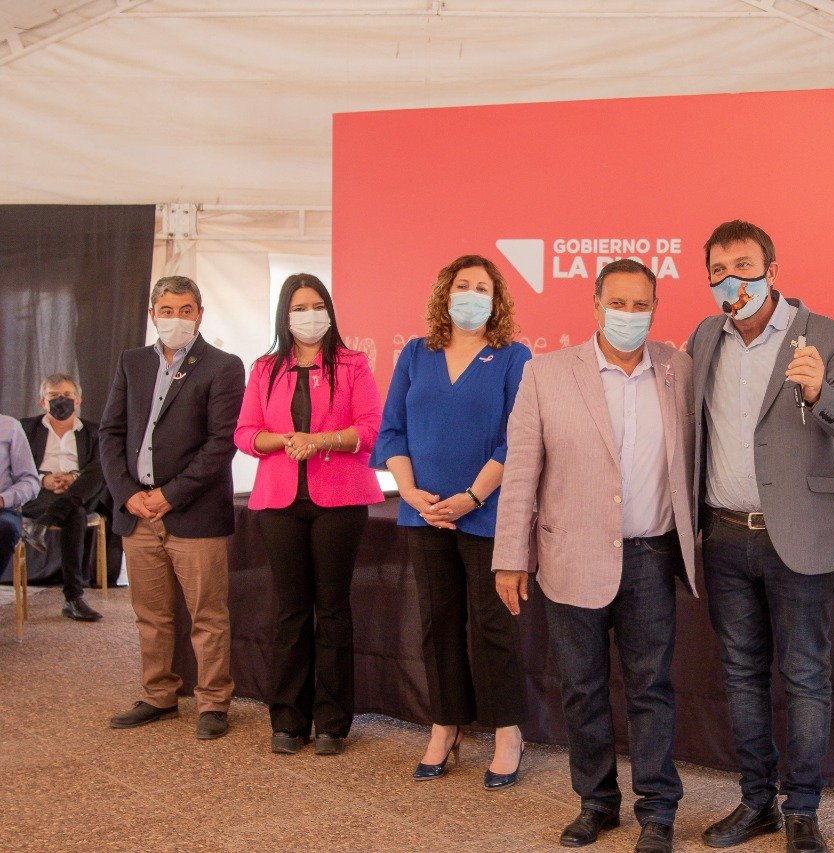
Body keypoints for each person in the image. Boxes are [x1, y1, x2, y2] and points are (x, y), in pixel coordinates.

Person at [493, 258, 695, 853]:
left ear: (655, 309)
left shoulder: (679, 369)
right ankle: (597, 802)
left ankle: (658, 810)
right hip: (571, 555)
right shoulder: (546, 374)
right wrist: (511, 556)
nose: (629, 314)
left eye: (641, 305)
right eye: (618, 303)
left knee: (651, 688)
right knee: (582, 687)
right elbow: (521, 471)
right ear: (596, 304)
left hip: (652, 554)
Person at [687, 220, 834, 853]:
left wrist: (820, 391)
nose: (730, 280)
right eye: (718, 270)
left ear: (772, 271)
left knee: (804, 677)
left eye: (743, 266)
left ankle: (803, 810)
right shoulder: (704, 337)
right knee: (741, 675)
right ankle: (756, 803)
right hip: (723, 535)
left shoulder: (831, 337)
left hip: (799, 538)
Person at [371, 254, 531, 787]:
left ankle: (507, 730)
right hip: (424, 514)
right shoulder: (416, 354)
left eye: (483, 288)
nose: (471, 295)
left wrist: (471, 496)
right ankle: (445, 724)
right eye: (463, 285)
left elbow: (518, 439)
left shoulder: (514, 357)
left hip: (486, 512)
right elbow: (392, 430)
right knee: (437, 622)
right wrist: (410, 492)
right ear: (445, 293)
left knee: (492, 624)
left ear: (497, 300)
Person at [235, 274, 383, 756]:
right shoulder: (264, 368)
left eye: (317, 305)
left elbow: (370, 428)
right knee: (290, 610)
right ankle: (288, 721)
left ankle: (333, 723)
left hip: (339, 501)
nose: (309, 315)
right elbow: (245, 433)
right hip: (279, 502)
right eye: (299, 307)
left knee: (333, 609)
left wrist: (320, 441)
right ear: (285, 315)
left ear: (330, 311)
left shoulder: (353, 364)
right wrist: (285, 441)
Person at [99, 275, 245, 740]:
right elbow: (110, 433)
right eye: (167, 310)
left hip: (193, 513)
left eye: (185, 310)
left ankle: (213, 702)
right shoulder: (132, 362)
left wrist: (170, 494)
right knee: (151, 614)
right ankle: (158, 695)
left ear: (199, 314)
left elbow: (221, 443)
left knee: (208, 616)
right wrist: (127, 493)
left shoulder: (223, 366)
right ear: (152, 315)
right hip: (137, 511)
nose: (176, 318)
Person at [19, 373, 112, 622]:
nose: (61, 400)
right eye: (54, 396)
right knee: (75, 512)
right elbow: (14, 467)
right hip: (39, 493)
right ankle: (73, 598)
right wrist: (44, 479)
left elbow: (97, 472)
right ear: (42, 402)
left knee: (103, 465)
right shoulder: (25, 429)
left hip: (81, 490)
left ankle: (45, 522)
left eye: (67, 395)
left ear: (78, 400)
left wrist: (74, 478)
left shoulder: (94, 432)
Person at [1, 413, 41, 585]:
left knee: (5, 528)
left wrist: (3, 499)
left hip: (3, 509)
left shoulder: (10, 427)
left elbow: (30, 481)